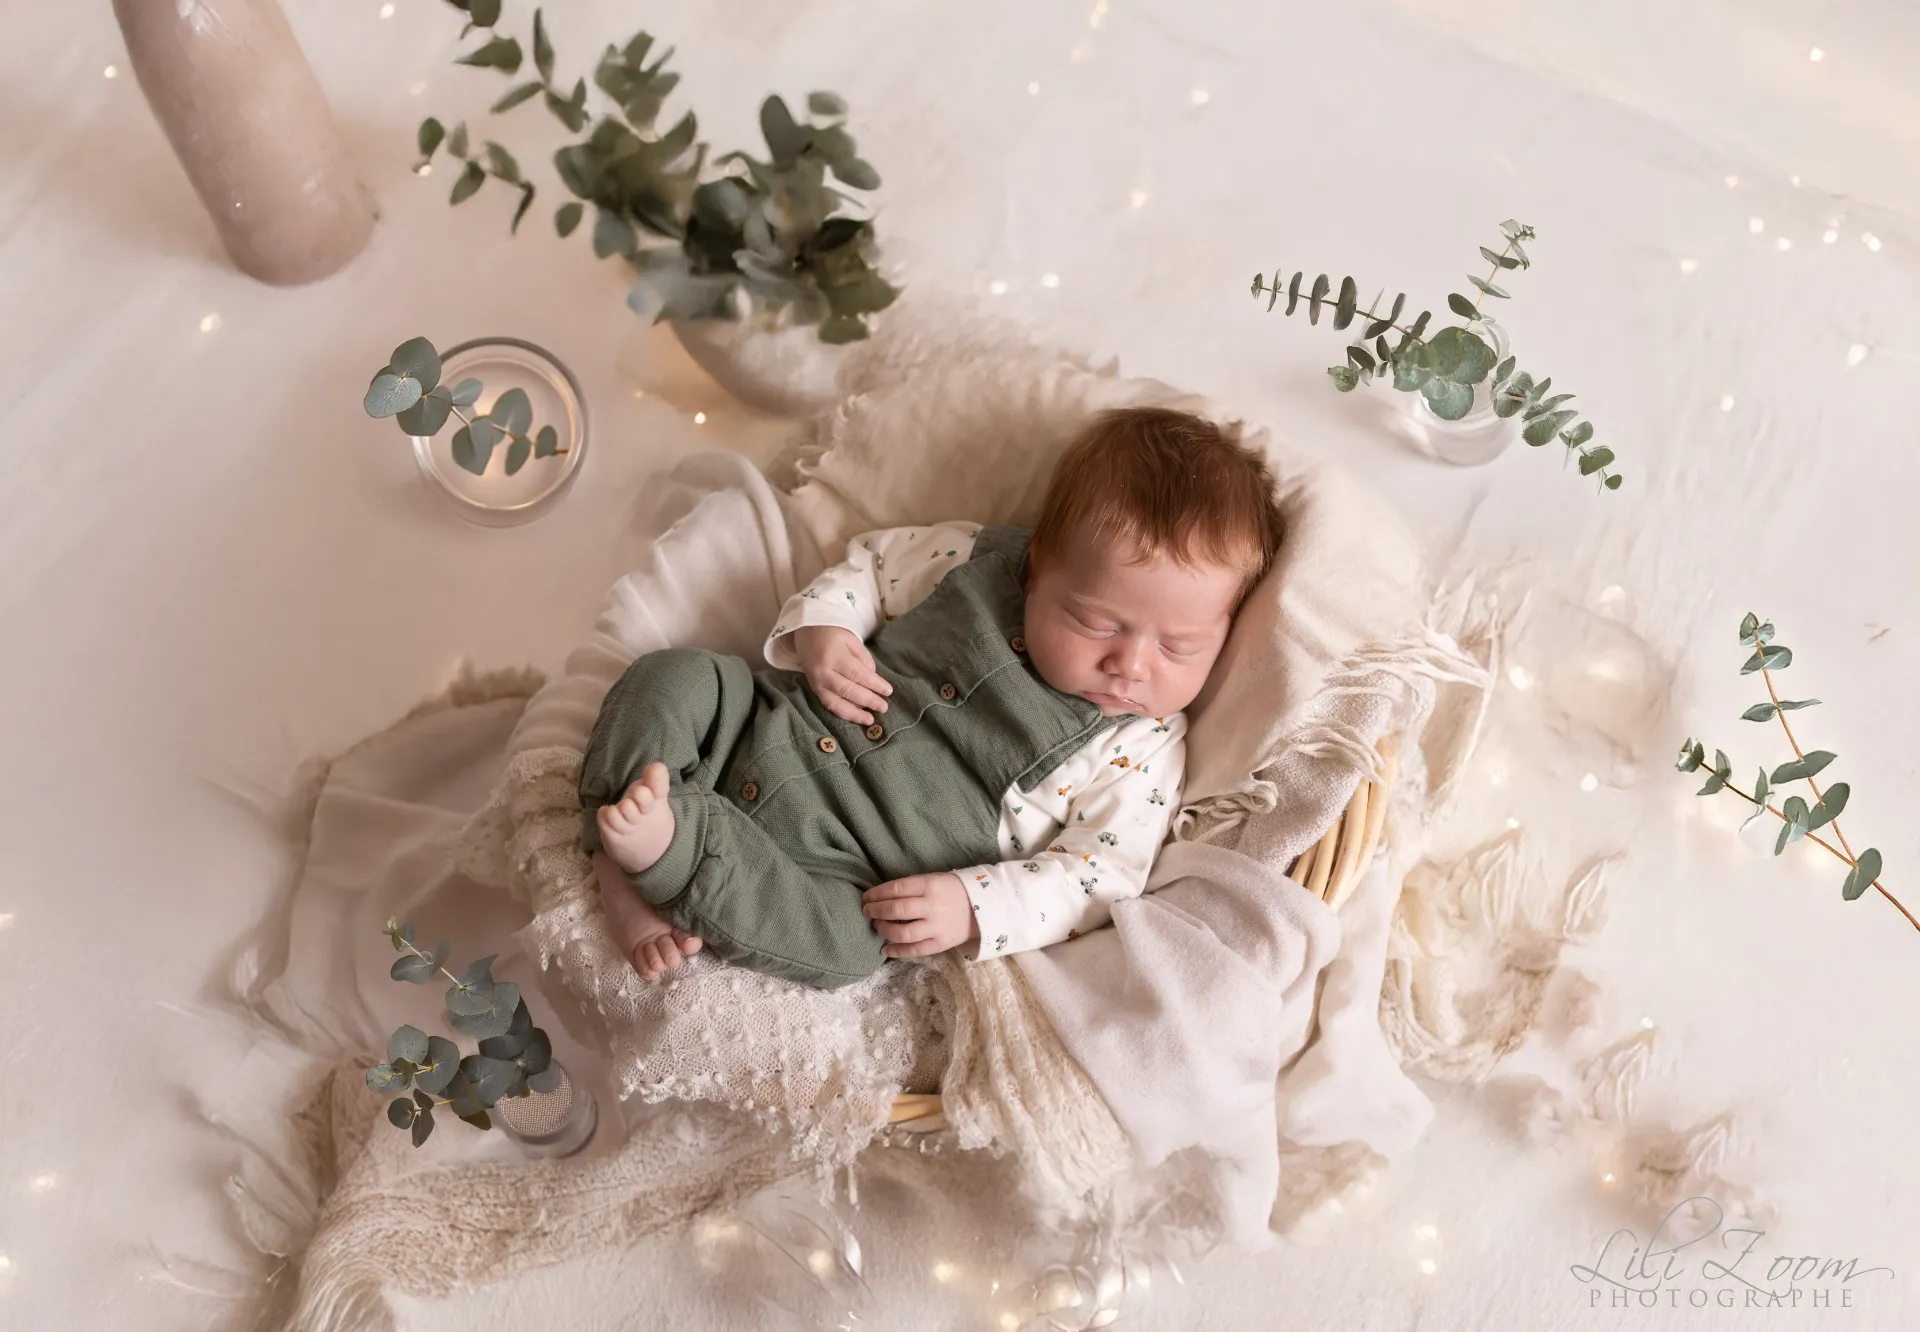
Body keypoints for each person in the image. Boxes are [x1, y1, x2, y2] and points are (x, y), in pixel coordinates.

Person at [580, 406, 1286, 988]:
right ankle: (624, 839)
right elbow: (872, 569)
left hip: (836, 863)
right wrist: (826, 631)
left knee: (846, 948)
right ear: (1038, 565)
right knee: (674, 676)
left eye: (1179, 648)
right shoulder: (973, 561)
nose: (1130, 665)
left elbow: (1099, 872)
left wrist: (977, 903)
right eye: (1096, 621)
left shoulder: (1143, 746)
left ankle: (668, 853)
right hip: (762, 722)